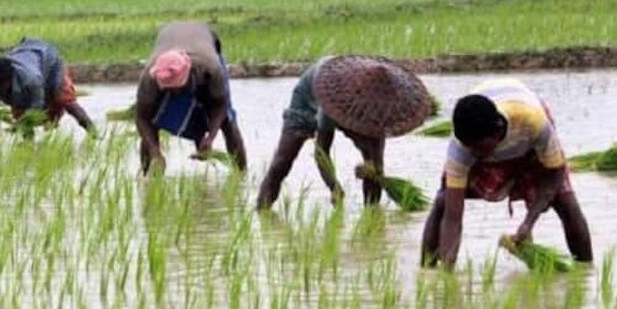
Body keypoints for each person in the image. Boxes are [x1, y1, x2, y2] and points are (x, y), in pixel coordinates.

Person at [421, 78, 593, 269]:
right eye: (469, 148)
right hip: (493, 123)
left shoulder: (533, 121)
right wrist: (447, 278)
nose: (474, 154)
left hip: (527, 136)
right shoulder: (461, 149)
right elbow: (453, 218)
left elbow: (555, 171)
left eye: (479, 148)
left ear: (497, 132)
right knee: (443, 201)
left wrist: (529, 222)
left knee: (566, 201)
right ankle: (426, 269)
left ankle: (586, 270)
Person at [257, 55, 432, 210]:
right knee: (282, 162)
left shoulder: (380, 111)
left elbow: (377, 166)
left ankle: (371, 213)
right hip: (306, 101)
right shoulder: (333, 98)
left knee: (374, 165)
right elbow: (321, 152)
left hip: (358, 107)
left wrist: (371, 168)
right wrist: (334, 186)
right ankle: (262, 209)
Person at [134, 21, 246, 175]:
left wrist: (210, 137)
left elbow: (221, 105)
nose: (174, 94)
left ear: (189, 74)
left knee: (228, 121)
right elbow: (142, 117)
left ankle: (242, 176)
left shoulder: (211, 68)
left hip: (203, 40)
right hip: (169, 37)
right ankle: (147, 177)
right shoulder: (151, 76)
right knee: (152, 124)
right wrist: (155, 152)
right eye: (169, 90)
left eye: (177, 89)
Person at [0, 38, 94, 141]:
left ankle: (94, 134)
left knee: (65, 99)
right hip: (29, 59)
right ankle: (28, 145)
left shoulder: (31, 79)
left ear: (7, 81)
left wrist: (18, 125)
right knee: (19, 112)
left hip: (50, 63)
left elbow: (36, 108)